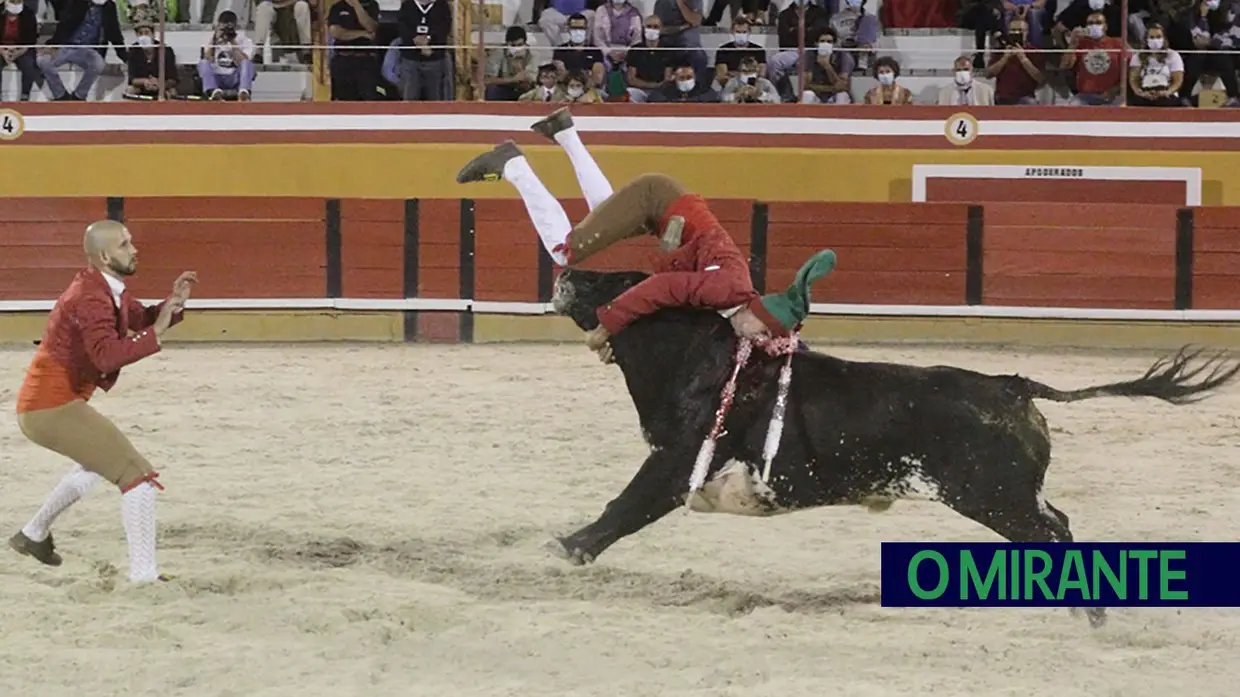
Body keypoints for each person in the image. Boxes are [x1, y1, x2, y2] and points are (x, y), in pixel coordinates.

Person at [455, 107, 774, 362]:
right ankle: (513, 165)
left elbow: (669, 296)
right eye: (762, 332)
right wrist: (606, 326)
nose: (756, 339)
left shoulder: (729, 299)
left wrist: (622, 341)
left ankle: (564, 132)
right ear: (756, 313)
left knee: (604, 210)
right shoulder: (727, 290)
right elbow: (661, 287)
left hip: (666, 208)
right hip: (659, 202)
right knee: (564, 251)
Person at [8, 220, 196, 584]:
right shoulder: (90, 295)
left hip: (48, 404)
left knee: (96, 465)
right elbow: (106, 357)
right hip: (50, 407)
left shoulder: (105, 287)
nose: (135, 248)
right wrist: (154, 334)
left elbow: (137, 319)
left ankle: (33, 535)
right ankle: (144, 577)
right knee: (136, 476)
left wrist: (170, 308)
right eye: (125, 244)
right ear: (106, 255)